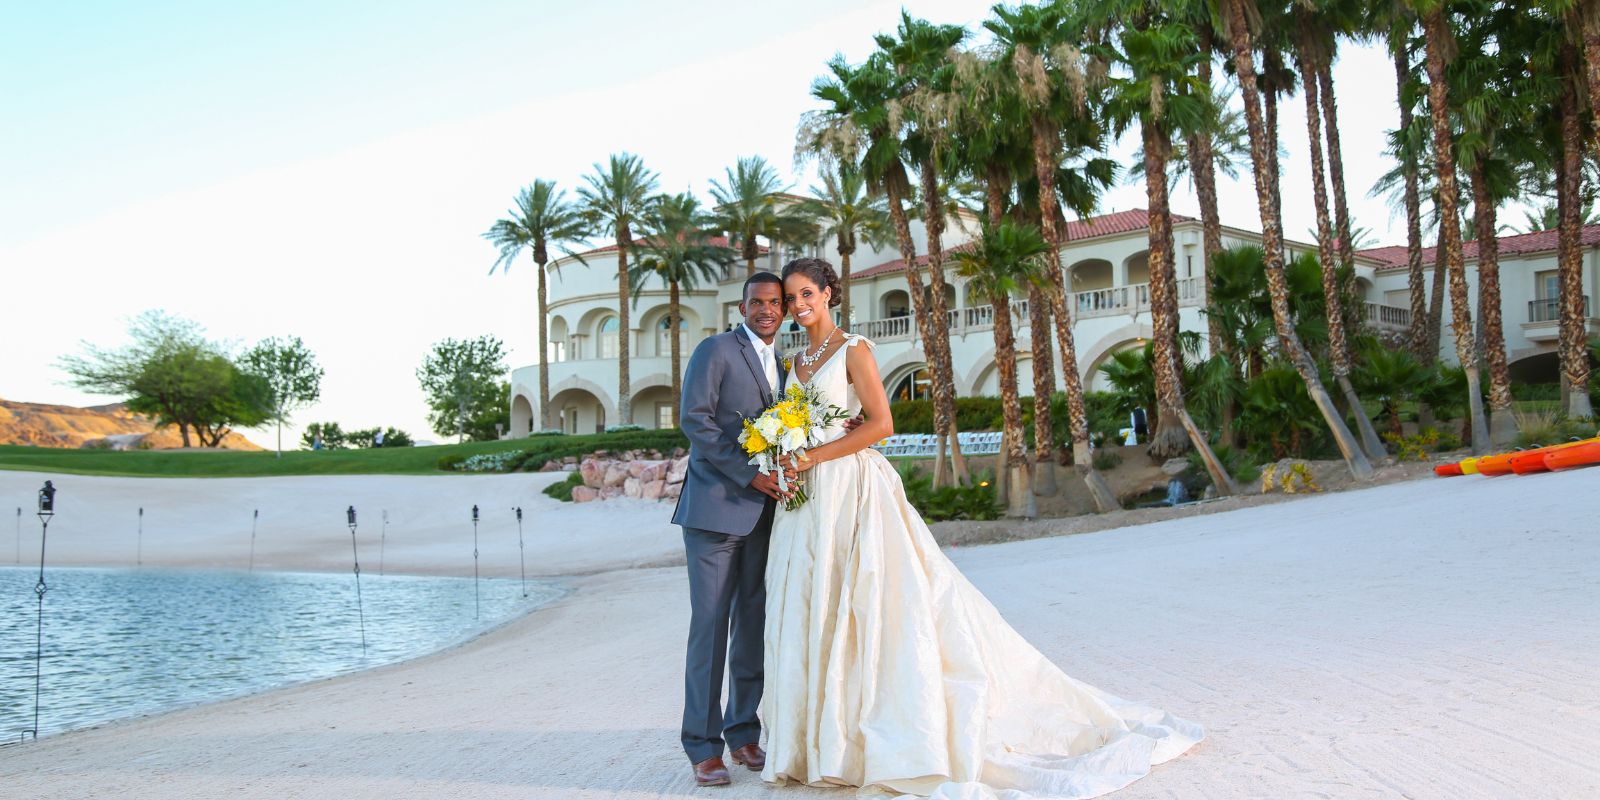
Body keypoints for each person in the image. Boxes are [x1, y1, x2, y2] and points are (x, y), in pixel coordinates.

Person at [759, 258, 1203, 799]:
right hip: (806, 502)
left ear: (830, 293)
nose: (798, 305)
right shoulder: (795, 358)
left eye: (807, 293)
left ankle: (864, 736)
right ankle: (819, 741)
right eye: (791, 297)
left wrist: (814, 456)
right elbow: (801, 420)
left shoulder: (855, 349)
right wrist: (787, 455)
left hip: (849, 489)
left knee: (868, 600)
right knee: (813, 603)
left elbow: (881, 424)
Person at [671, 271, 793, 787]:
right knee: (710, 628)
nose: (766, 310)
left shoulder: (784, 365)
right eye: (757, 302)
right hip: (714, 512)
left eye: (775, 303)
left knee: (751, 627)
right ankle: (702, 746)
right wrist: (750, 474)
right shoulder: (715, 350)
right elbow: (695, 421)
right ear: (741, 308)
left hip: (764, 516)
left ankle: (743, 731)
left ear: (783, 311)